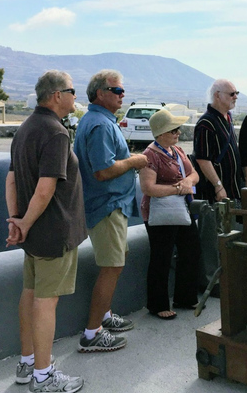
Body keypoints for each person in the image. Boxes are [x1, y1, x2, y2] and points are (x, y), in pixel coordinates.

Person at [5, 71, 86, 392]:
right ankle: (43, 375)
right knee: (45, 302)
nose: (74, 96)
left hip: (34, 234)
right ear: (56, 95)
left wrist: (17, 220)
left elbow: (11, 179)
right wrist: (22, 222)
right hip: (53, 234)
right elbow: (45, 188)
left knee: (31, 294)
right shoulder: (55, 133)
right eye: (72, 91)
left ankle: (27, 363)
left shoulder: (25, 128)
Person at [74, 69, 148, 352]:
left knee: (115, 263)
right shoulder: (101, 125)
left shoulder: (99, 120)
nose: (122, 95)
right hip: (106, 205)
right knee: (112, 266)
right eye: (117, 90)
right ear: (100, 93)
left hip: (112, 205)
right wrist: (134, 161)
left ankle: (104, 317)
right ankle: (92, 334)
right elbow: (103, 170)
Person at [139, 109, 201, 319]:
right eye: (173, 130)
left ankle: (185, 296)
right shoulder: (150, 155)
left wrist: (187, 182)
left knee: (190, 250)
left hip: (180, 210)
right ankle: (157, 304)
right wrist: (178, 189)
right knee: (161, 257)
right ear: (161, 133)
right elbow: (148, 188)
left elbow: (194, 174)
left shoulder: (178, 150)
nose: (178, 133)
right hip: (160, 213)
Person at [193, 79, 243, 294]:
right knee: (212, 240)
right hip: (215, 193)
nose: (235, 97)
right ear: (217, 96)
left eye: (236, 93)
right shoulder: (205, 123)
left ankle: (227, 278)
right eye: (231, 93)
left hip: (232, 190)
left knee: (229, 236)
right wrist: (218, 185)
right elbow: (203, 159)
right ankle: (211, 283)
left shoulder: (227, 118)